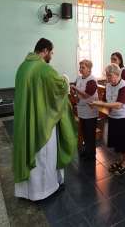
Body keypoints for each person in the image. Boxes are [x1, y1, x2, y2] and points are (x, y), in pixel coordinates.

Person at [13, 38, 77, 201]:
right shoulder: (43, 68)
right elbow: (60, 88)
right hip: (43, 121)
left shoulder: (23, 67)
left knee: (30, 150)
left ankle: (25, 191)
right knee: (44, 156)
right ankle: (44, 190)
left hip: (26, 119)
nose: (52, 56)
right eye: (52, 52)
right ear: (45, 51)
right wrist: (64, 79)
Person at [91, 64, 125, 175]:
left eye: (110, 76)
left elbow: (119, 105)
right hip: (113, 116)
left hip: (124, 117)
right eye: (107, 76)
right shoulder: (109, 85)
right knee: (116, 141)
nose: (108, 78)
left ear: (118, 74)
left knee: (124, 142)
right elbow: (105, 101)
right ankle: (120, 161)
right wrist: (96, 104)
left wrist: (99, 104)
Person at [71, 60, 98, 161]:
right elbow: (73, 88)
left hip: (90, 111)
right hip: (81, 109)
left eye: (83, 67)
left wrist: (76, 90)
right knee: (84, 132)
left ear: (89, 69)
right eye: (80, 67)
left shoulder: (92, 80)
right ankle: (86, 150)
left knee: (90, 133)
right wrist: (74, 93)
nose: (80, 69)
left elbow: (87, 95)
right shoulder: (79, 78)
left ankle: (91, 154)